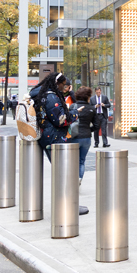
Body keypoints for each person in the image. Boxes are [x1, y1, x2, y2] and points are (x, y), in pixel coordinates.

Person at [31, 73, 88, 215]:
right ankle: (69, 206)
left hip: (50, 138)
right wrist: (74, 113)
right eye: (63, 84)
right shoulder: (51, 96)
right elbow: (60, 120)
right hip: (55, 139)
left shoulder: (44, 94)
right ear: (58, 83)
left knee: (63, 173)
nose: (65, 87)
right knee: (65, 174)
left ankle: (67, 205)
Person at [73, 87, 96, 183]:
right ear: (88, 97)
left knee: (73, 160)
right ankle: (79, 178)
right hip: (86, 138)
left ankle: (73, 179)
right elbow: (97, 125)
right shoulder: (92, 109)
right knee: (82, 160)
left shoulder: (73, 107)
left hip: (74, 137)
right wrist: (88, 130)